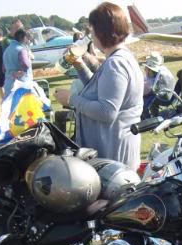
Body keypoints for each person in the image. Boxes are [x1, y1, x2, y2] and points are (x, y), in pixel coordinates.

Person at [54, 2, 143, 170]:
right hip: (114, 154)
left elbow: (106, 111)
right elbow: (99, 90)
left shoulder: (115, 64)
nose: (91, 35)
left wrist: (72, 99)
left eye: (93, 30)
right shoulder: (120, 57)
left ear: (101, 32)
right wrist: (79, 65)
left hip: (113, 158)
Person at [141, 51, 176, 119]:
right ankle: (153, 116)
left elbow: (152, 89)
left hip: (164, 97)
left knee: (142, 100)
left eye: (147, 68)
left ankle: (146, 119)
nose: (146, 70)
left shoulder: (161, 75)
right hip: (164, 94)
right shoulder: (159, 71)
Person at [2, 29, 33, 98]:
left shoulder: (6, 50)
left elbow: (3, 69)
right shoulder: (21, 50)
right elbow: (25, 64)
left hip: (8, 83)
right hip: (21, 83)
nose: (28, 40)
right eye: (28, 38)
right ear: (24, 38)